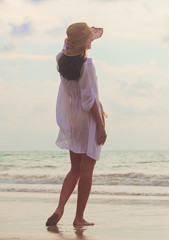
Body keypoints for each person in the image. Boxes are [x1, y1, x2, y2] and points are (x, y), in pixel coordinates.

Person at [46, 22, 107, 227]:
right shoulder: (87, 65)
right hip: (87, 118)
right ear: (85, 43)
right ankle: (78, 217)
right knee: (87, 170)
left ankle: (59, 207)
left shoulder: (61, 60)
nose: (92, 41)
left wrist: (66, 48)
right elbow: (89, 100)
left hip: (71, 117)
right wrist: (101, 126)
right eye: (89, 38)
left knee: (74, 168)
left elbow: (62, 53)